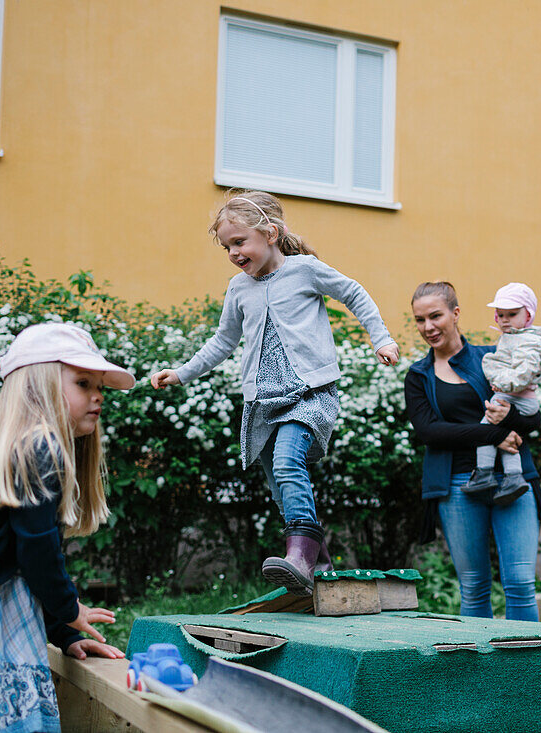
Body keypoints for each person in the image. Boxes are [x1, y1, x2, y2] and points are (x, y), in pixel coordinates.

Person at [150, 190, 399, 597]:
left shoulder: (304, 271)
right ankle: (317, 568)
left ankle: (299, 554)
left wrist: (381, 340)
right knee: (283, 489)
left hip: (310, 393)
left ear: (270, 233)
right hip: (262, 402)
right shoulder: (238, 288)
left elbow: (355, 293)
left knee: (287, 463)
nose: (233, 252)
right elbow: (222, 341)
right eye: (227, 245)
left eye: (239, 242)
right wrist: (181, 373)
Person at [0, 323, 132, 733]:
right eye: (83, 382)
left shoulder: (20, 446)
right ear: (38, 387)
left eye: (98, 384)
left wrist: (63, 632)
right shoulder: (41, 445)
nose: (98, 395)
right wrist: (71, 610)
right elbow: (38, 555)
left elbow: (25, 561)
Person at [405, 282, 541, 621]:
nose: (428, 327)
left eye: (436, 316)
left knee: (519, 584)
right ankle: (479, 672)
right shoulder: (418, 376)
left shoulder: (493, 356)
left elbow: (532, 417)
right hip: (457, 486)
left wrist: (508, 421)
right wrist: (493, 435)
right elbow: (430, 432)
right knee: (473, 586)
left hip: (512, 479)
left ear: (455, 314)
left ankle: (526, 669)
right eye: (420, 319)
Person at [461, 282, 541, 505]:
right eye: (500, 314)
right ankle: (513, 477)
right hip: (519, 398)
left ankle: (484, 472)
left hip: (518, 398)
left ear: (528, 315)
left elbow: (523, 373)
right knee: (505, 434)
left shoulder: (528, 341)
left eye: (512, 314)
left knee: (486, 428)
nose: (504, 320)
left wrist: (501, 382)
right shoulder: (515, 337)